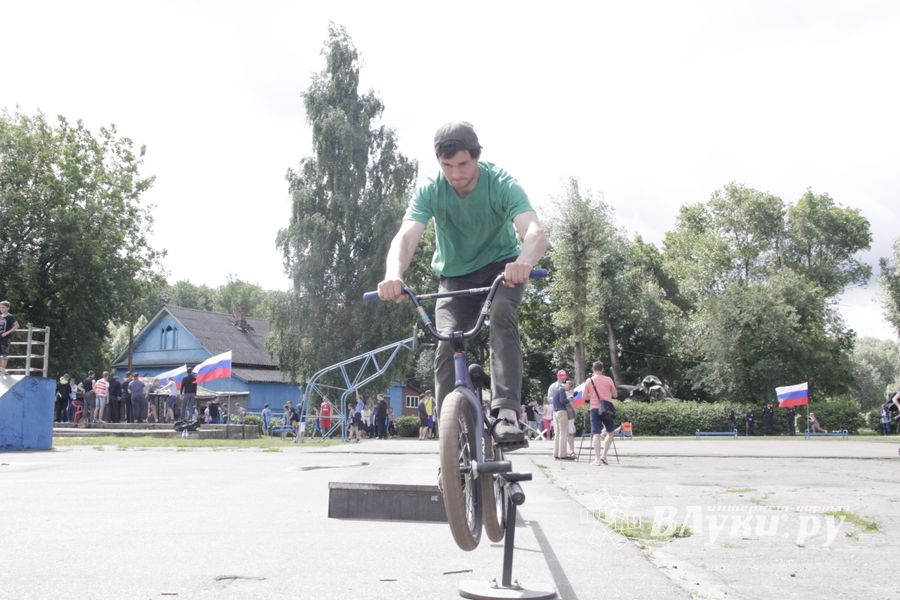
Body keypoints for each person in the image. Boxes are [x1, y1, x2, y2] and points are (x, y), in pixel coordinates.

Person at [377, 122, 548, 449]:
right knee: (446, 341)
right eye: (447, 165)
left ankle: (507, 412)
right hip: (454, 277)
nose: (455, 174)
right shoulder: (431, 190)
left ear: (476, 157)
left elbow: (535, 232)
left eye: (463, 165)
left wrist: (524, 261)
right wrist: (393, 274)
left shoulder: (500, 183)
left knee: (501, 313)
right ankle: (450, 439)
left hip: (503, 269)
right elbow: (407, 236)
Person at [582, 361, 618, 466]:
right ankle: (604, 456)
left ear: (593, 369)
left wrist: (592, 395)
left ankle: (597, 459)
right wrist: (607, 394)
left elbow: (584, 397)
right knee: (610, 432)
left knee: (596, 434)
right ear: (602, 369)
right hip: (607, 408)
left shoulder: (589, 381)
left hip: (594, 408)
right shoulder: (608, 379)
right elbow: (615, 394)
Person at [548, 369, 573, 460]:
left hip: (555, 412)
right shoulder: (561, 389)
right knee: (563, 433)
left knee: (557, 434)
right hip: (562, 412)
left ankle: (556, 453)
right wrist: (569, 399)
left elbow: (552, 400)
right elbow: (563, 401)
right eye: (568, 385)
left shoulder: (554, 388)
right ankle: (562, 454)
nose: (569, 387)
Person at [0, 301, 19, 376]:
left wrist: (7, 332)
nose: (1, 309)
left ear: (8, 308)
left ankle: (2, 370)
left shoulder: (10, 316)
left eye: (3, 307)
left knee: (4, 355)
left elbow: (17, 326)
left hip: (5, 338)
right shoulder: (0, 316)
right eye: (0, 307)